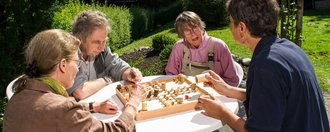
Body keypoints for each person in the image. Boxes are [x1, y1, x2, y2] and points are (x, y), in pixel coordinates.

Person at [197, 0, 330, 132]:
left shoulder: (266, 64)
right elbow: (273, 99)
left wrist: (222, 112)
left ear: (242, 28)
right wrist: (228, 90)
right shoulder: (289, 48)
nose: (230, 27)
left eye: (231, 22)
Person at [3, 29, 148, 131]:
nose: (78, 69)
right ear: (63, 65)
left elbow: (53, 113)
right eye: (77, 62)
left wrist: (92, 106)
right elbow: (116, 130)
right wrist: (133, 103)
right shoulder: (62, 110)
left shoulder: (18, 97)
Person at [68, 10, 143, 101]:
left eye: (104, 41)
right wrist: (108, 80)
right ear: (80, 39)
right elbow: (80, 92)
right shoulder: (67, 54)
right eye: (97, 42)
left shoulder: (101, 50)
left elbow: (118, 66)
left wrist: (129, 73)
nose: (102, 47)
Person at [165, 11, 240, 87]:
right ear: (182, 34)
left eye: (194, 27)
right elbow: (170, 75)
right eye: (187, 30)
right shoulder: (179, 47)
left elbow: (233, 81)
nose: (192, 34)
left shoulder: (219, 46)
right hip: (186, 93)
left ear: (200, 26)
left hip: (214, 94)